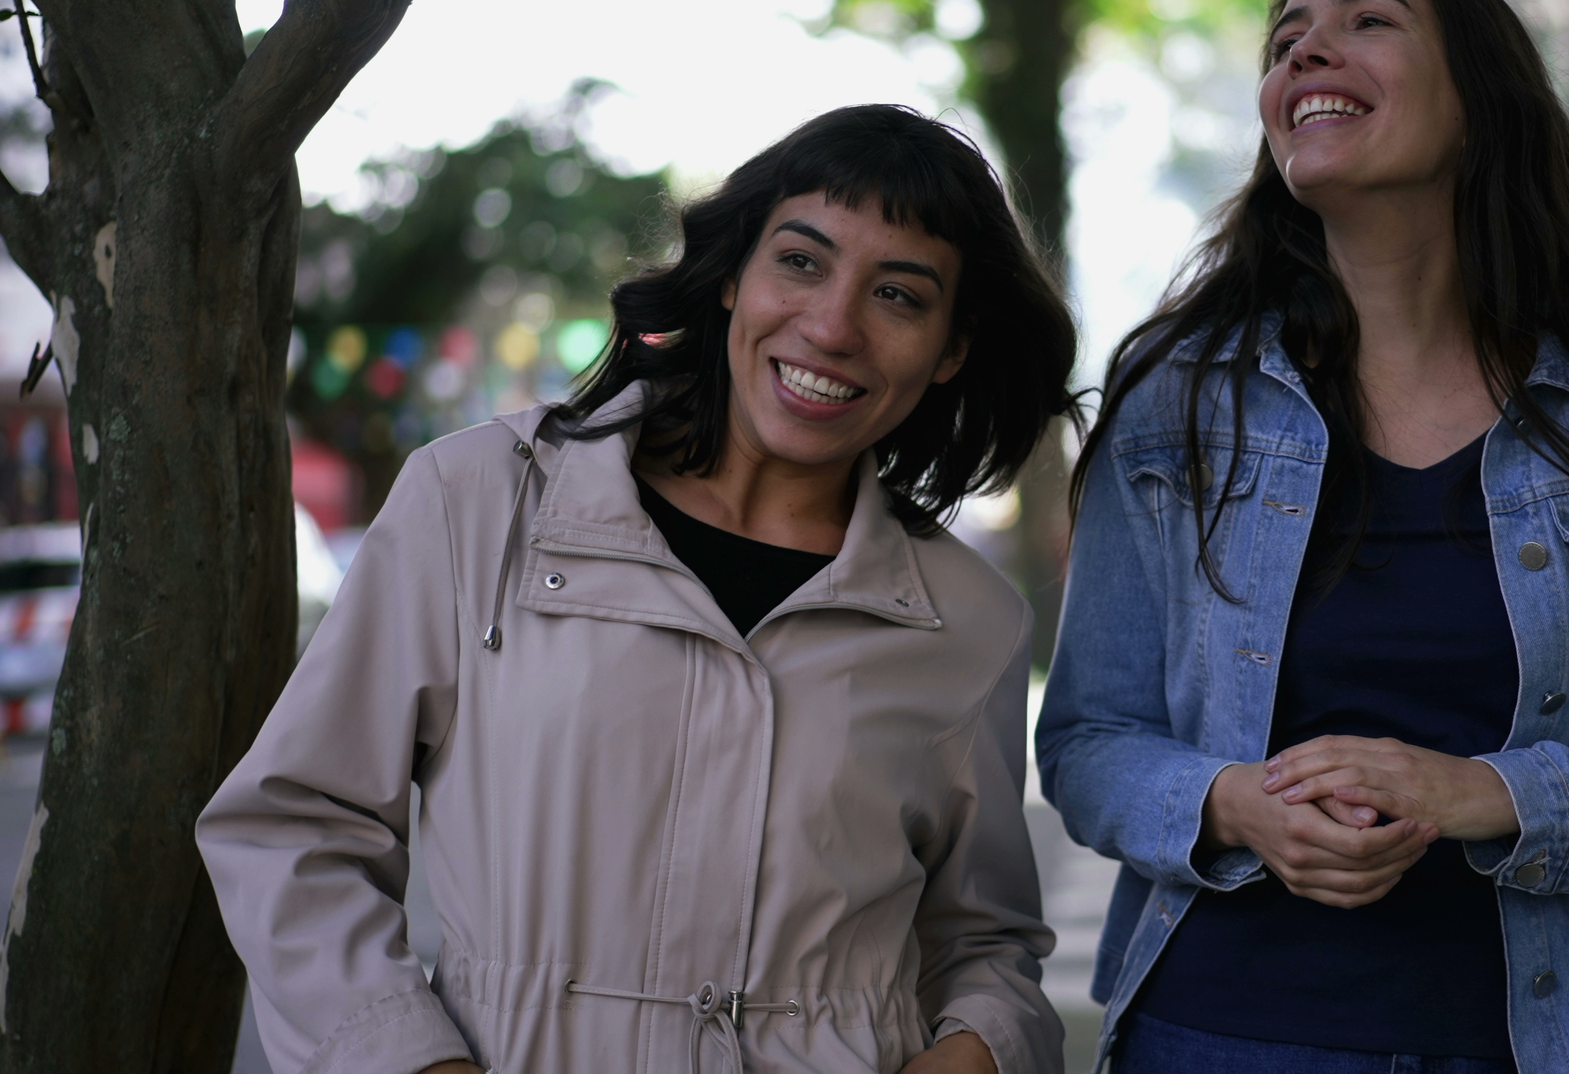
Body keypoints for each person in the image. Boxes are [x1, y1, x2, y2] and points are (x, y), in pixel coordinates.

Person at [1034, 0, 1569, 1070]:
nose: (1304, 47)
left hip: (1532, 1043)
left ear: (1476, 103)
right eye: (1284, 36)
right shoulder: (1178, 400)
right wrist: (1233, 804)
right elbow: (1085, 742)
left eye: (1368, 19)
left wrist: (1487, 793)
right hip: (1208, 1036)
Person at [199, 104, 1078, 1074]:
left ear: (951, 347)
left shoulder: (970, 621)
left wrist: (974, 1052)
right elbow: (294, 830)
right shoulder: (477, 502)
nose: (831, 326)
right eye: (799, 261)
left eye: (900, 296)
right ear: (732, 276)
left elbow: (984, 950)